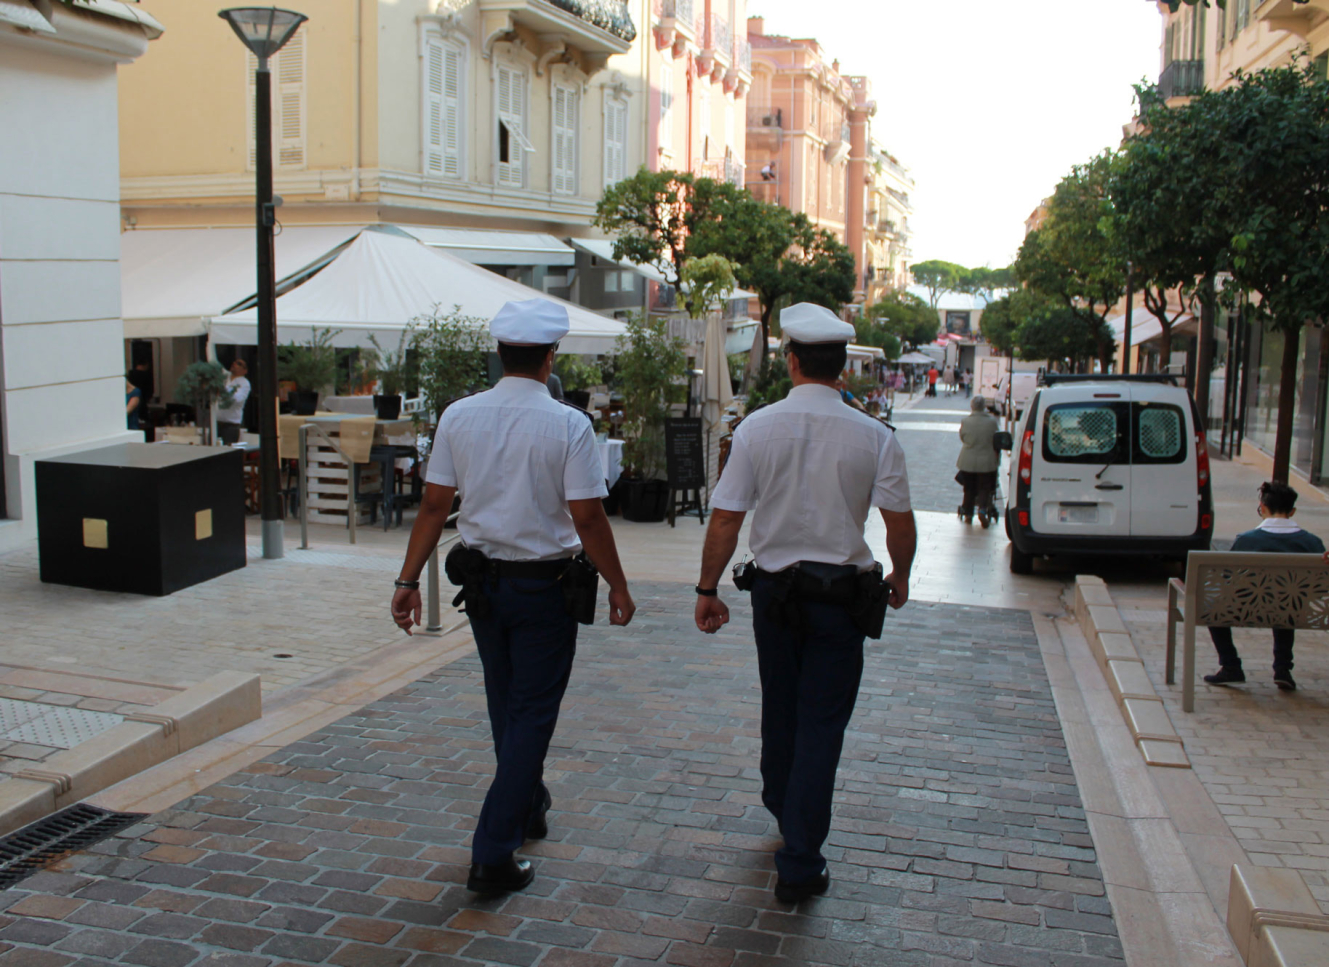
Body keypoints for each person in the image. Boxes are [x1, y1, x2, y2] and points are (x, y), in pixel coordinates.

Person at [390, 298, 636, 896]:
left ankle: (527, 805)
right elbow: (588, 515)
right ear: (551, 356)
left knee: (507, 705)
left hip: (482, 588)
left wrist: (404, 581)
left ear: (500, 354)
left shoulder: (458, 416)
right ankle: (493, 853)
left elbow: (432, 506)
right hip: (545, 589)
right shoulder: (569, 423)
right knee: (530, 715)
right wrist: (618, 583)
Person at [694, 302, 917, 904]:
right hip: (842, 600)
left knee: (781, 706)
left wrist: (707, 588)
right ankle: (800, 856)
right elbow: (900, 522)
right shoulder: (875, 434)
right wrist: (900, 575)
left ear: (791, 361)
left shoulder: (756, 429)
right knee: (822, 723)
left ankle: (783, 806)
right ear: (841, 368)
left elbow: (726, 518)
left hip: (775, 595)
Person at [1204, 481, 1324, 692]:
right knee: (1287, 600)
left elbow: (1226, 582)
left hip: (1248, 610)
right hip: (1297, 611)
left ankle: (1231, 665)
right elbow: (1321, 587)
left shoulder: (1246, 541)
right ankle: (1282, 669)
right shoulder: (1312, 543)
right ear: (1292, 511)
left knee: (1213, 607)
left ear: (1262, 508)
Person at [956, 395, 1000, 526]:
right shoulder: (992, 422)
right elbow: (996, 439)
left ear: (972, 406)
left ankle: (968, 513)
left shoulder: (966, 421)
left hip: (968, 460)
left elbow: (963, 438)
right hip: (986, 460)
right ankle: (982, 509)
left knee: (968, 487)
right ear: (984, 406)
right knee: (984, 486)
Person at [216, 359, 251, 446]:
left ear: (245, 371)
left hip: (231, 425)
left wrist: (223, 390)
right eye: (234, 362)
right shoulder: (225, 378)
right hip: (216, 422)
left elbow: (237, 399)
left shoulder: (244, 383)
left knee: (228, 453)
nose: (234, 364)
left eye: (239, 364)